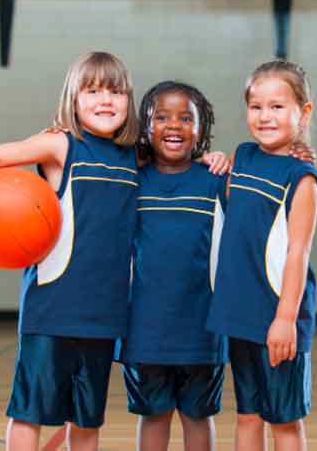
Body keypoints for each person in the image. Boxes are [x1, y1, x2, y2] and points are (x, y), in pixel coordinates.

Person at [0, 53, 226, 451]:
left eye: (116, 91)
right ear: (73, 99)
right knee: (29, 412)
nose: (105, 100)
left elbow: (174, 152)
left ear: (130, 102)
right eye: (92, 91)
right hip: (52, 311)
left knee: (87, 422)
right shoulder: (60, 145)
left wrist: (212, 158)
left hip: (105, 319)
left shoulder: (133, 156)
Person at [206, 60, 317, 451]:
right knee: (247, 415)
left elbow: (298, 252)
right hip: (241, 313)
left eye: (277, 106)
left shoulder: (302, 178)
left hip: (277, 317)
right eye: (256, 107)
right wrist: (215, 160)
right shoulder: (243, 156)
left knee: (284, 421)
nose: (265, 116)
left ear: (303, 112)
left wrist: (286, 318)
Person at [121, 80, 229, 451]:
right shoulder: (131, 179)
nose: (174, 125)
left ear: (201, 129)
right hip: (144, 329)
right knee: (152, 415)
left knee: (198, 416)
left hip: (203, 329)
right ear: (145, 126)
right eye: (162, 116)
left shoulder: (216, 180)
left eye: (186, 117)